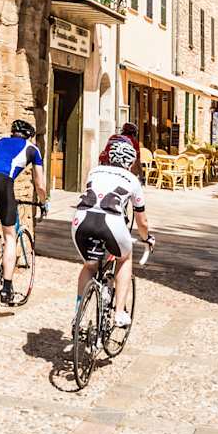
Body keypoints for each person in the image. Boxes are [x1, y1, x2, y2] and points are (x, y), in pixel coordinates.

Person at [71, 134, 153, 328]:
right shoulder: (133, 180)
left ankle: (78, 315)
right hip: (111, 222)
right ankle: (119, 313)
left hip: (81, 220)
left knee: (89, 266)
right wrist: (147, 238)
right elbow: (142, 221)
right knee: (124, 258)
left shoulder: (94, 171)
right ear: (131, 161)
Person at [0, 118, 46, 307]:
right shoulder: (32, 149)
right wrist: (44, 202)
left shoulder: (0, 141)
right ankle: (6, 287)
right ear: (29, 135)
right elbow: (39, 183)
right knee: (10, 236)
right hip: (3, 180)